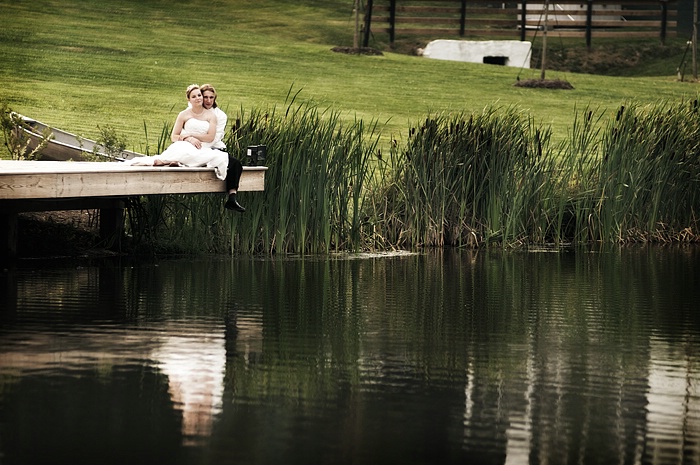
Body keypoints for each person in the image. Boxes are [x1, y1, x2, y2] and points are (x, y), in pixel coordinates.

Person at [126, 84, 229, 182]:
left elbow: (210, 137)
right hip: (185, 142)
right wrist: (188, 139)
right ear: (189, 99)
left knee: (211, 156)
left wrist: (190, 135)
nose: (198, 98)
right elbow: (174, 136)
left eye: (199, 95)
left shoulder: (212, 116)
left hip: (202, 145)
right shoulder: (184, 114)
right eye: (194, 96)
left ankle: (171, 161)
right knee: (182, 148)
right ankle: (166, 160)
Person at [199, 84, 245, 212]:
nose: (208, 101)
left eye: (211, 97)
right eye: (205, 97)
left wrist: (200, 147)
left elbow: (215, 138)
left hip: (212, 146)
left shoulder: (220, 115)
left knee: (235, 164)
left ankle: (232, 197)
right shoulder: (193, 111)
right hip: (192, 146)